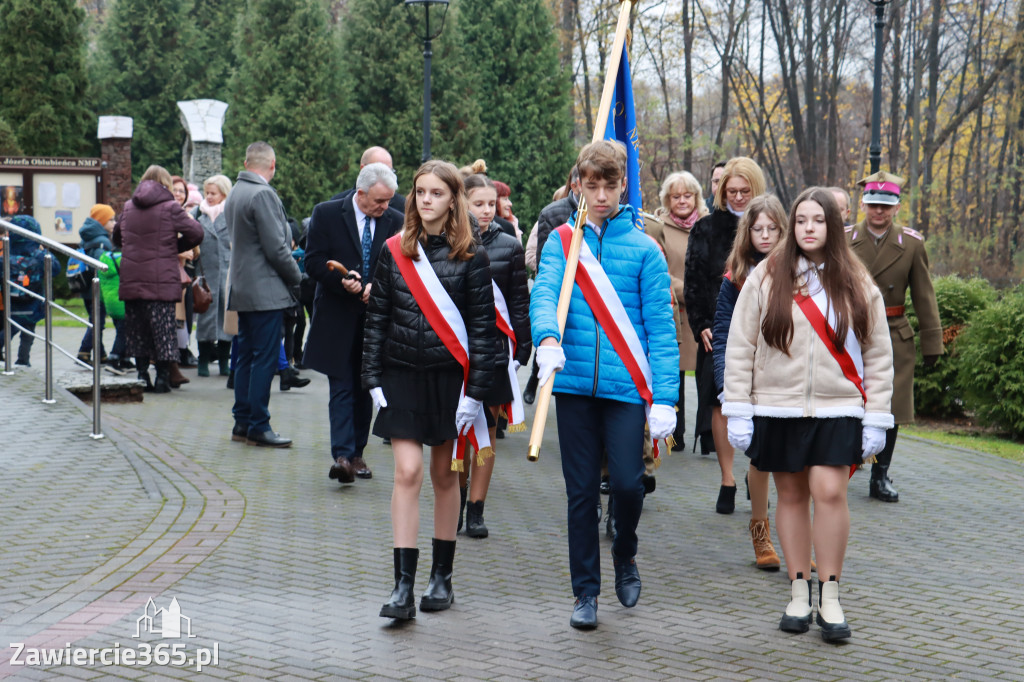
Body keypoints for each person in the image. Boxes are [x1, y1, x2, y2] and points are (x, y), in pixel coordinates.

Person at [722, 187, 893, 642]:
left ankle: (831, 595)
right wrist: (738, 406)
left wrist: (876, 415)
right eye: (801, 221)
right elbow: (740, 345)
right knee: (792, 494)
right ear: (792, 226)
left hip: (839, 407)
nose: (809, 228)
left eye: (818, 220)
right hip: (778, 407)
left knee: (829, 489)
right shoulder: (767, 276)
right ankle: (799, 590)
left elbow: (878, 353)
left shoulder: (856, 280)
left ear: (832, 226)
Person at [530, 140, 678, 630]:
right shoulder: (560, 242)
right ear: (577, 186)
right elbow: (546, 292)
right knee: (580, 494)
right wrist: (547, 336)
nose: (599, 195)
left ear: (622, 187)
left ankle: (627, 555)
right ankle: (585, 593)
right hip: (572, 385)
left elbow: (660, 327)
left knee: (631, 486)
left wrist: (667, 399)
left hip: (626, 390)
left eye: (608, 185)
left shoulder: (645, 250)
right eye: (590, 185)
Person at [362, 160, 497, 621]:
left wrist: (476, 394)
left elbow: (483, 333)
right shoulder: (394, 250)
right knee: (407, 472)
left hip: (449, 381)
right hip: (401, 375)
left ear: (453, 199)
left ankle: (442, 577)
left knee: (443, 477)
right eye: (420, 192)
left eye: (436, 192)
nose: (425, 200)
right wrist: (372, 379)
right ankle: (402, 586)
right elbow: (376, 317)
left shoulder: (472, 257)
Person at [304, 162, 403, 483]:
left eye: (389, 200)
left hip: (376, 321)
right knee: (342, 386)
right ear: (360, 193)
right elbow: (313, 261)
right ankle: (343, 456)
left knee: (366, 386)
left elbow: (401, 268)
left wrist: (378, 286)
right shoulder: (327, 213)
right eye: (378, 201)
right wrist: (340, 281)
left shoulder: (396, 221)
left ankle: (358, 452)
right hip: (337, 317)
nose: (384, 207)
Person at [848, 171, 943, 502]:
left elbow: (924, 296)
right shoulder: (844, 240)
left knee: (889, 409)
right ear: (863, 204)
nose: (879, 212)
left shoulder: (912, 244)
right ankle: (841, 466)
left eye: (886, 206)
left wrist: (933, 341)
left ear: (897, 207)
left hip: (893, 333)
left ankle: (880, 474)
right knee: (848, 401)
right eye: (873, 205)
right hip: (850, 332)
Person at [684, 156, 767, 513]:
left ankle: (755, 473)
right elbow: (693, 281)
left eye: (744, 191)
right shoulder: (705, 229)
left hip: (764, 332)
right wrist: (701, 323)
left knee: (761, 404)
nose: (736, 197)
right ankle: (727, 478)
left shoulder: (769, 225)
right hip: (716, 332)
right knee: (720, 403)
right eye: (730, 190)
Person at [711, 194, 788, 570]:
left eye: (773, 229)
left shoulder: (801, 273)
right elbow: (724, 333)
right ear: (747, 232)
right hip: (753, 379)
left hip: (789, 379)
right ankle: (761, 530)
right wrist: (728, 384)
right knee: (762, 457)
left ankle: (797, 536)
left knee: (794, 463)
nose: (765, 235)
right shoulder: (736, 277)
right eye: (758, 228)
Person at [458, 173, 531, 538]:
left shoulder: (509, 246)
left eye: (492, 204)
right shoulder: (448, 243)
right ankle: (453, 500)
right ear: (462, 203)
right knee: (455, 431)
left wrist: (523, 346)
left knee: (485, 429)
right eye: (479, 204)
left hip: (494, 352)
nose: (487, 211)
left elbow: (519, 301)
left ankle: (476, 506)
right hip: (456, 352)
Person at [225, 141, 302, 447]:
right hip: (266, 290)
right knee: (265, 359)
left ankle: (242, 422)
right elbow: (276, 248)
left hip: (243, 286)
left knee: (245, 356)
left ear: (246, 163)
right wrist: (298, 279)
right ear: (272, 165)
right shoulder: (263, 194)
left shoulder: (236, 192)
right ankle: (259, 424)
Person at [114, 166, 204, 393]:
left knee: (137, 329)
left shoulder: (128, 207)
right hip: (161, 280)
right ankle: (163, 379)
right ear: (165, 184)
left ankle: (143, 376)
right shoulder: (171, 208)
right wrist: (174, 247)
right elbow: (197, 233)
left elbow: (116, 237)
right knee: (164, 329)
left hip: (132, 279)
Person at [646, 170, 707, 450]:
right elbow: (658, 270)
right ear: (667, 200)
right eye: (676, 196)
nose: (682, 201)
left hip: (704, 313)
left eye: (687, 195)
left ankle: (708, 436)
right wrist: (688, 290)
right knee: (676, 376)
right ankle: (674, 435)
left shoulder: (707, 226)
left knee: (707, 376)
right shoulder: (659, 228)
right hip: (675, 311)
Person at [522, 167, 580, 405]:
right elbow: (544, 258)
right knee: (550, 338)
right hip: (562, 288)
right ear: (575, 184)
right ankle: (537, 383)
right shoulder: (553, 213)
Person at [0, 215, 61, 367]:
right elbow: (56, 269)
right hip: (33, 304)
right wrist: (43, 249)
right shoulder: (40, 256)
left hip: (11, 303)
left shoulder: (7, 255)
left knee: (8, 330)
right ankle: (23, 360)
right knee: (28, 333)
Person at [193, 174, 234, 378]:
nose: (208, 197)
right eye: (206, 192)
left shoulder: (232, 215)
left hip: (227, 274)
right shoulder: (198, 215)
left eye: (213, 193)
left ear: (223, 194)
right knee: (205, 319)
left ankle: (225, 361)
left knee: (226, 319)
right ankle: (203, 360)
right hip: (205, 276)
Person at [75, 204, 116, 365]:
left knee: (95, 319)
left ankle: (101, 354)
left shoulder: (87, 236)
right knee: (97, 321)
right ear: (101, 221)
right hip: (97, 288)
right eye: (111, 220)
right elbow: (102, 264)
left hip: (85, 286)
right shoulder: (102, 241)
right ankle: (83, 352)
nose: (114, 223)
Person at [172, 175, 199, 370]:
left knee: (185, 317)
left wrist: (192, 249)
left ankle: (181, 351)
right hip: (169, 272)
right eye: (175, 190)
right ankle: (173, 355)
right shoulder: (164, 214)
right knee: (173, 316)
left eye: (182, 191)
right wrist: (181, 249)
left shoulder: (187, 216)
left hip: (186, 273)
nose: (178, 194)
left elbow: (197, 248)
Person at [330, 146, 406, 213]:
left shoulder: (402, 206)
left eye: (389, 171)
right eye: (378, 170)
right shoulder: (336, 204)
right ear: (363, 168)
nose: (385, 206)